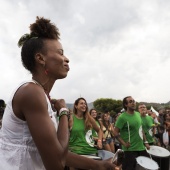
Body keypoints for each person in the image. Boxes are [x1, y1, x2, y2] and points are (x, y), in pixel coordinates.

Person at [0, 17, 118, 170]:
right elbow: (56, 163)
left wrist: (100, 165)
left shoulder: (41, 95)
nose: (66, 59)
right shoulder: (31, 92)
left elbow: (56, 152)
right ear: (40, 58)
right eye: (61, 53)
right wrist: (63, 113)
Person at [113, 96, 150, 170]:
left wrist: (145, 142)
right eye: (130, 102)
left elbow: (141, 129)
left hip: (141, 148)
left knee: (147, 167)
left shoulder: (138, 114)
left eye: (133, 101)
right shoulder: (122, 117)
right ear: (126, 105)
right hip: (129, 150)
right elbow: (115, 132)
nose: (133, 103)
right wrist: (124, 143)